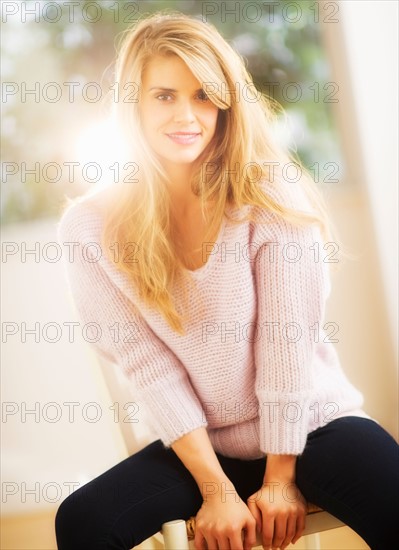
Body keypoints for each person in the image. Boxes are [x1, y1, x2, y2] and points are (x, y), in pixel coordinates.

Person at [55, 11, 398, 550]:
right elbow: (148, 366)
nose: (187, 115)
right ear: (133, 105)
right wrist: (216, 489)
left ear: (227, 102)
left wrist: (280, 478)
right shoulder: (89, 228)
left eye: (204, 95)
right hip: (199, 448)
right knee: (82, 521)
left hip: (308, 426)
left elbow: (286, 346)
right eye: (164, 96)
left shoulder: (270, 194)